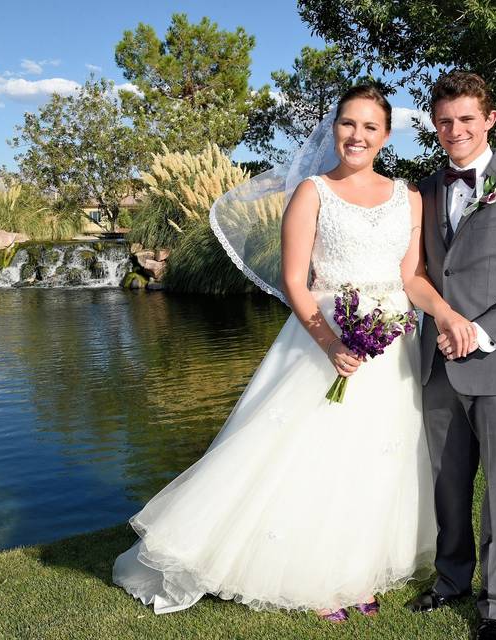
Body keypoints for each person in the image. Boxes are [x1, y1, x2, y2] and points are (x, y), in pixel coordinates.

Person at [113, 84, 470, 620]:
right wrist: (330, 342)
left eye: (370, 127)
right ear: (334, 129)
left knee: (373, 462)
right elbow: (295, 283)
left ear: (386, 135)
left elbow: (410, 277)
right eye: (348, 124)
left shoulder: (409, 197)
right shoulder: (311, 192)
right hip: (322, 340)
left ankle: (356, 574)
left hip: (392, 346)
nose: (357, 136)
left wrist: (442, 313)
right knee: (315, 458)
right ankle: (315, 581)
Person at [405, 71, 496, 640]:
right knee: (447, 481)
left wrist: (479, 332)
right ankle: (451, 580)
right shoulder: (422, 190)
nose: (455, 129)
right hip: (437, 361)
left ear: (489, 120)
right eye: (445, 121)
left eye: (467, 118)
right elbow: (416, 272)